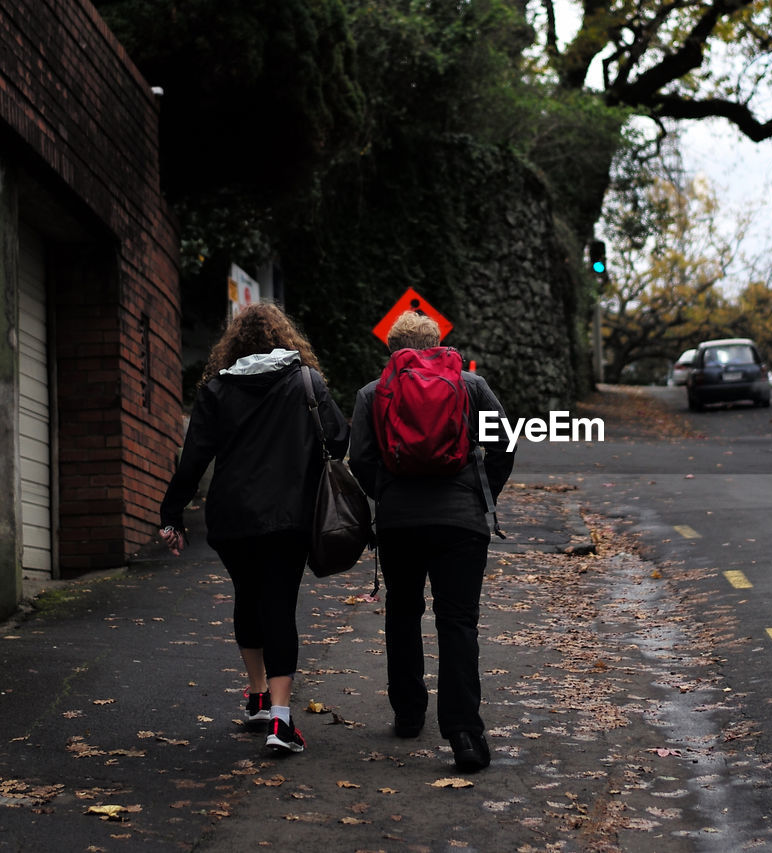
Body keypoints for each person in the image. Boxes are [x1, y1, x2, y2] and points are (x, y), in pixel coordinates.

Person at [158, 302, 349, 755]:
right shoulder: (306, 381)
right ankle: (281, 724)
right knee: (279, 605)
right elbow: (339, 439)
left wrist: (172, 514)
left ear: (234, 345)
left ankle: (258, 696)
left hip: (232, 518)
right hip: (288, 517)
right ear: (287, 338)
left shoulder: (217, 390)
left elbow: (194, 460)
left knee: (248, 596)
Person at [348, 311, 515, 772]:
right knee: (457, 621)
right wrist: (482, 495)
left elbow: (359, 458)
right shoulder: (470, 386)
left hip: (400, 522)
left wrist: (386, 494)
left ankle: (408, 711)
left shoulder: (372, 393)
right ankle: (463, 732)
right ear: (437, 342)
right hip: (461, 523)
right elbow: (504, 444)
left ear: (393, 349)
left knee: (403, 611)